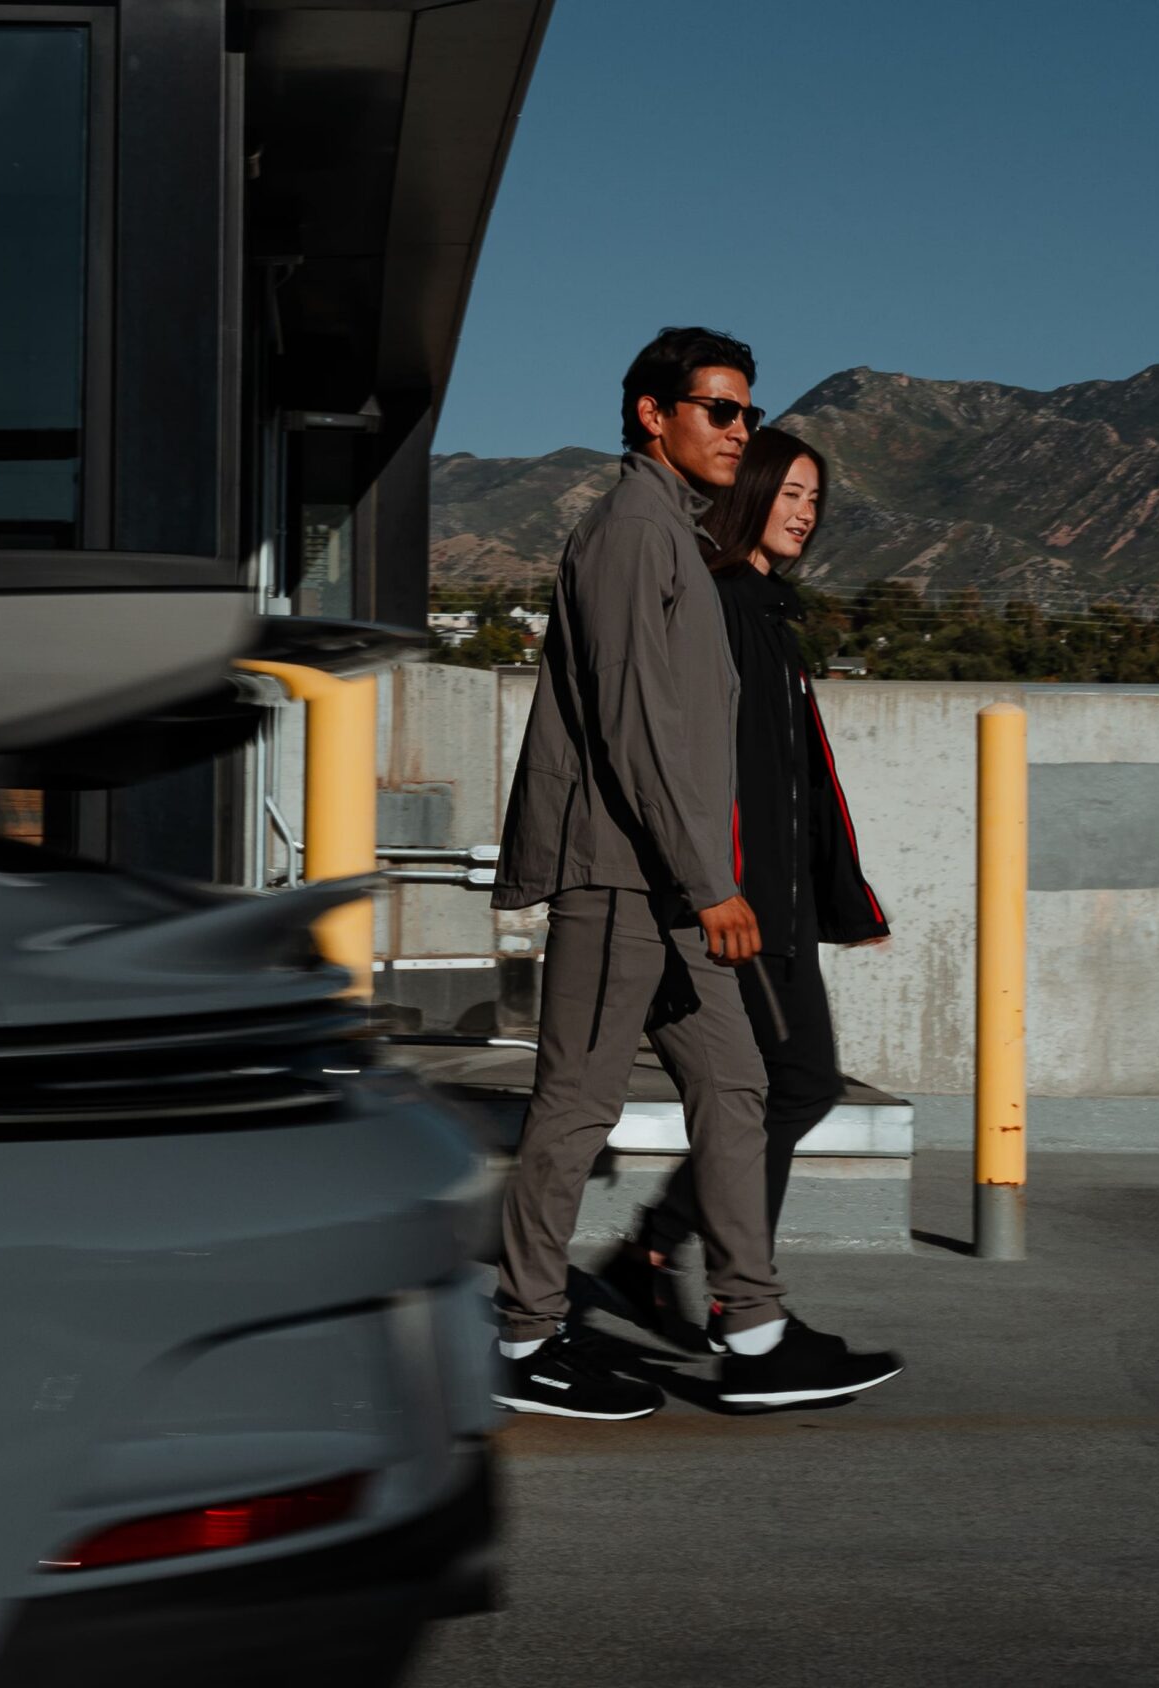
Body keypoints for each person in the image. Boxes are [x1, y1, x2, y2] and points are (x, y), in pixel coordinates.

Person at [489, 329, 901, 1418]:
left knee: (738, 1084)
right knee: (576, 1106)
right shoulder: (633, 533)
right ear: (653, 415)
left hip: (673, 882)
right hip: (620, 875)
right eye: (720, 410)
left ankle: (753, 1330)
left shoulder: (674, 533)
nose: (739, 430)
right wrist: (713, 881)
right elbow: (637, 729)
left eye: (747, 413)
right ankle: (523, 1335)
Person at [592, 428, 896, 1353]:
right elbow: (698, 766)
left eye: (816, 499)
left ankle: (667, 1255)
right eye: (790, 493)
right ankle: (728, 1293)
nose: (805, 513)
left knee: (786, 1088)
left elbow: (801, 778)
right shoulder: (721, 605)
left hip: (778, 902)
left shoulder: (766, 612)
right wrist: (718, 888)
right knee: (791, 1085)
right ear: (751, 492)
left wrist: (844, 900)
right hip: (738, 903)